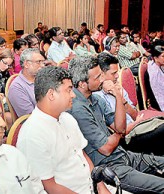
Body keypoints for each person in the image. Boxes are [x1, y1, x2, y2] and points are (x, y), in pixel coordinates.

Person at [69, 55, 164, 193]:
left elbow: (121, 128)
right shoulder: (77, 109)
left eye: (101, 75)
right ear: (82, 84)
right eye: (97, 78)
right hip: (109, 167)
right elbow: (107, 147)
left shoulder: (95, 98)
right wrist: (119, 133)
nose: (102, 79)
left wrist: (117, 95)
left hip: (123, 155)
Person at [17, 66, 110, 194]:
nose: (73, 95)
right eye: (69, 90)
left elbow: (82, 154)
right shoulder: (33, 134)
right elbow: (49, 187)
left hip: (91, 186)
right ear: (51, 94)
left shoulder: (67, 118)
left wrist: (100, 186)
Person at [95, 52, 164, 155]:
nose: (117, 76)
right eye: (113, 73)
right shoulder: (98, 97)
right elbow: (120, 132)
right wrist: (137, 122)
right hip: (126, 139)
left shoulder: (117, 87)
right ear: (102, 74)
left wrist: (120, 97)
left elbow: (135, 115)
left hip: (136, 127)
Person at [8, 48, 45, 117]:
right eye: (38, 62)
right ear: (27, 64)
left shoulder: (43, 79)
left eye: (43, 62)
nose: (42, 65)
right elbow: (30, 117)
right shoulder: (17, 88)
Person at [147, 40, 164, 112]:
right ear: (155, 58)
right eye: (163, 56)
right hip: (158, 102)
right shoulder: (154, 72)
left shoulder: (159, 65)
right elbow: (159, 95)